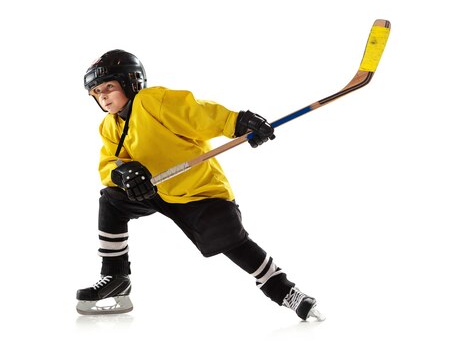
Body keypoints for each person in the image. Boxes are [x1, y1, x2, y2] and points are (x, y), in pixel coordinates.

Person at [76, 49, 324, 321]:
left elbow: (197, 113)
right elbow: (109, 162)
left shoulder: (152, 101)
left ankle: (286, 291)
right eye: (97, 92)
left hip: (199, 192)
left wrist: (238, 122)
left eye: (109, 86)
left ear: (131, 82)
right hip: (157, 190)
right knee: (112, 200)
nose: (103, 96)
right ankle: (115, 275)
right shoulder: (110, 126)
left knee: (232, 242)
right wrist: (122, 174)